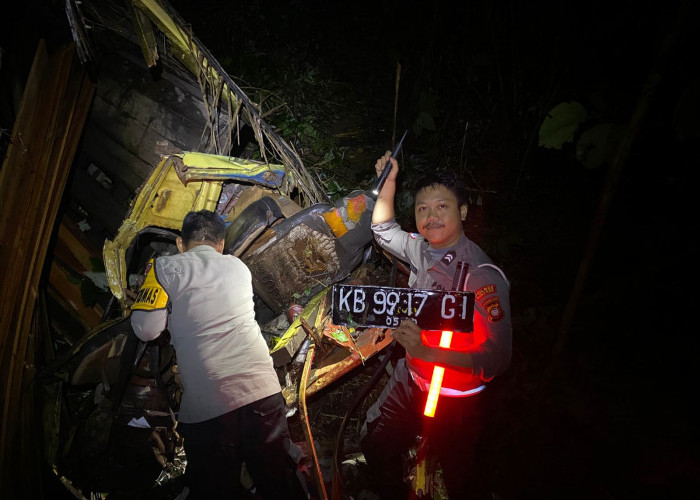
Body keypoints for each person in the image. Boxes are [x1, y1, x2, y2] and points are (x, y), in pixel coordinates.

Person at [360, 152, 512, 499]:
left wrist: (426, 350)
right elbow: (383, 231)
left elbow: (497, 359)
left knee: (457, 476)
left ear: (462, 212)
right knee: (376, 441)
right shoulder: (421, 250)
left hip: (456, 402)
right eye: (422, 209)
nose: (430, 217)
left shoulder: (482, 276)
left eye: (442, 207)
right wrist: (390, 182)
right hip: (411, 380)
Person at [130, 210, 308, 500]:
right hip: (262, 393)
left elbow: (147, 330)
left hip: (210, 408)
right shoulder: (238, 267)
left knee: (214, 490)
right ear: (222, 244)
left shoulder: (163, 267)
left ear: (180, 243)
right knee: (279, 481)